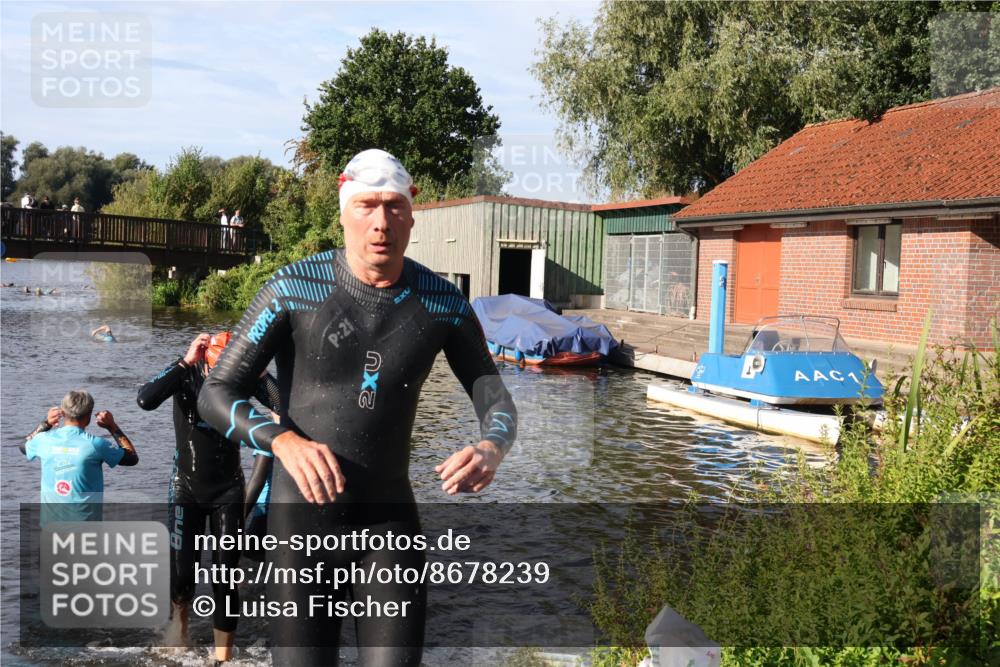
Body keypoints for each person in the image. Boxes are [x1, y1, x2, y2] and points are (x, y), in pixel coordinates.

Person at [198, 148, 518, 665]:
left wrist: (491, 446)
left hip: (388, 528)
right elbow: (215, 391)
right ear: (344, 211)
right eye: (367, 205)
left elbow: (495, 395)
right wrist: (282, 440)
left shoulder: (442, 303)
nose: (380, 223)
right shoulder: (293, 288)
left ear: (413, 213)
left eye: (393, 206)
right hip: (299, 527)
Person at [137, 331, 280, 664]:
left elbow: (283, 405)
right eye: (220, 373)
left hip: (227, 489)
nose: (224, 382)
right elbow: (145, 399)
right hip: (185, 486)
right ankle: (179, 628)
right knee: (184, 576)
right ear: (206, 363)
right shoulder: (186, 373)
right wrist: (185, 359)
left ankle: (222, 658)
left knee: (225, 576)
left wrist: (260, 374)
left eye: (231, 374)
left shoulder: (240, 380)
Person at [21, 391, 138, 523]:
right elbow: (132, 458)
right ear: (88, 416)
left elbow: (23, 446)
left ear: (62, 413)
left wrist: (46, 423)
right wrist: (112, 426)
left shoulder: (43, 440)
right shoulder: (96, 444)